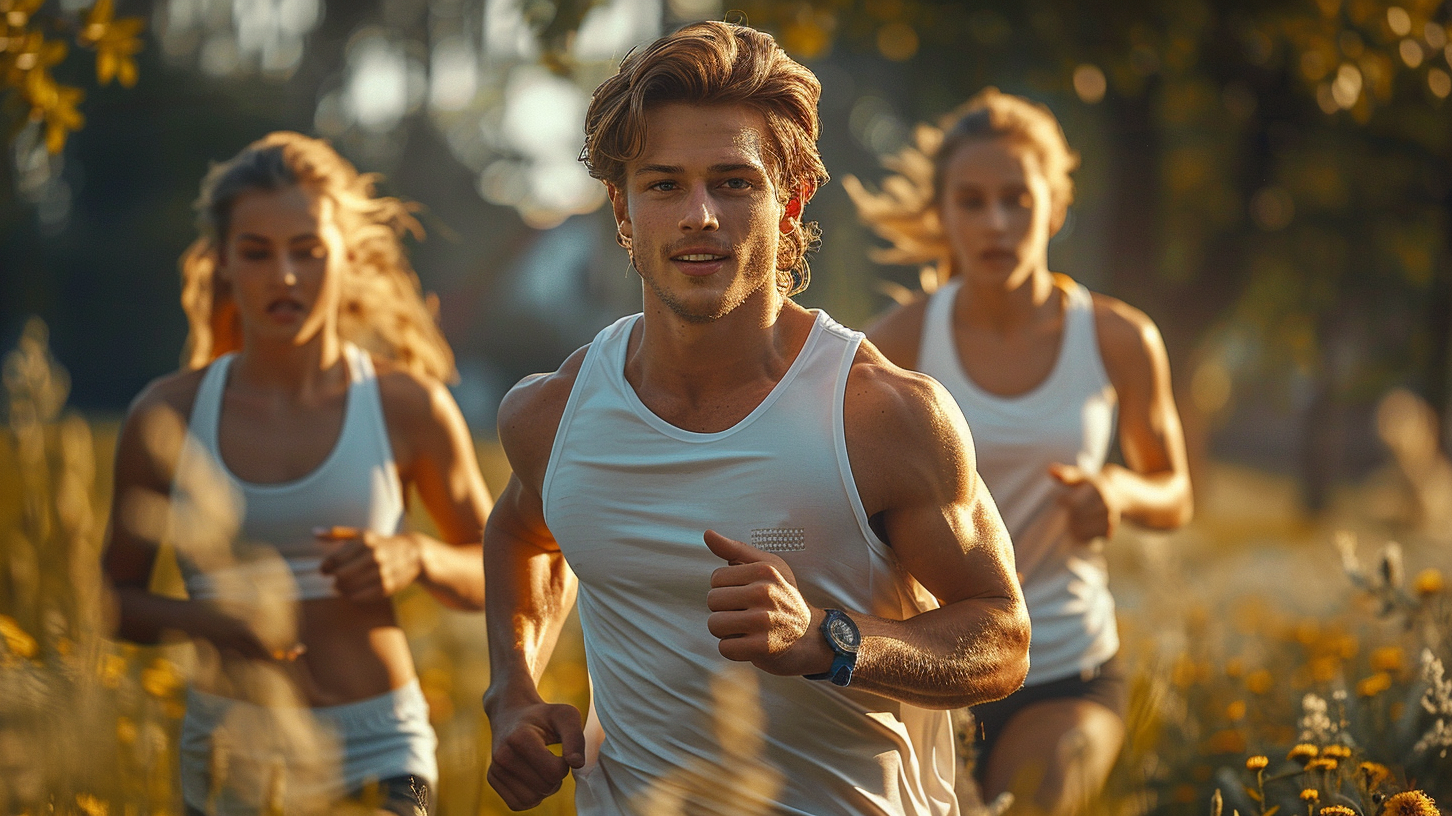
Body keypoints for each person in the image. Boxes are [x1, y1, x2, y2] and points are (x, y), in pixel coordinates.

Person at [481, 22, 1031, 816]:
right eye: (664, 184)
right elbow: (523, 533)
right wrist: (513, 690)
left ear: (791, 199)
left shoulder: (881, 413)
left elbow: (1003, 638)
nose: (699, 214)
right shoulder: (552, 414)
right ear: (622, 208)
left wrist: (831, 641)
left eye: (734, 182)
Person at [101, 132, 493, 816]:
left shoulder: (408, 405)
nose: (284, 276)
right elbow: (112, 600)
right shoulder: (167, 416)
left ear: (344, 255)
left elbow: (498, 572)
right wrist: (212, 623)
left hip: (382, 749)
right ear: (222, 261)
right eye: (257, 252)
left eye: (307, 251)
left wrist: (417, 557)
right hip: (229, 755)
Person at [847, 89, 1194, 814]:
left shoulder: (1119, 338)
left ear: (1056, 208)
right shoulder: (894, 345)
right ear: (942, 214)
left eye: (1017, 199)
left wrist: (1119, 492)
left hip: (1068, 669)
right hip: (931, 670)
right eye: (971, 202)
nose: (996, 223)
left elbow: (1174, 490)